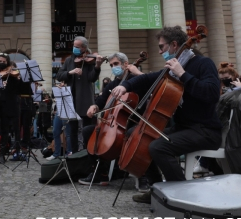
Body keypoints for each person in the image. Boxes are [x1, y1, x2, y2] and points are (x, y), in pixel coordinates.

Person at [110, 26, 222, 204]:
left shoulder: (202, 63)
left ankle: (182, 195)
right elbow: (147, 78)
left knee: (158, 147)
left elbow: (211, 93)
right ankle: (156, 190)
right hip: (184, 127)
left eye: (162, 47)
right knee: (136, 135)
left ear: (174, 44)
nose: (160, 51)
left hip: (205, 129)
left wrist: (183, 74)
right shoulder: (172, 68)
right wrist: (126, 86)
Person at [78, 52, 143, 186]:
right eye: (112, 64)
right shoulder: (113, 84)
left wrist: (137, 74)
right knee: (88, 131)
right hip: (114, 123)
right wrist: (94, 106)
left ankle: (143, 176)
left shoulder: (136, 80)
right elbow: (101, 101)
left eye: (116, 64)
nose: (114, 67)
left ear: (126, 64)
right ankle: (100, 173)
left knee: (134, 134)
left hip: (133, 122)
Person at [56, 36, 103, 153]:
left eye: (77, 47)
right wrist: (70, 72)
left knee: (87, 128)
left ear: (84, 48)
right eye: (74, 46)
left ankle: (88, 153)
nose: (74, 48)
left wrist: (97, 66)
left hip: (85, 98)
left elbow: (92, 78)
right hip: (71, 98)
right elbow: (59, 75)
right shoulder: (69, 60)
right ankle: (75, 154)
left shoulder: (89, 60)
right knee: (72, 130)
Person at [0, 53, 21, 164]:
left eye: (4, 61)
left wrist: (15, 80)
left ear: (7, 62)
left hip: (6, 106)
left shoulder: (12, 76)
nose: (1, 63)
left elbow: (17, 90)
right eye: (0, 61)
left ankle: (1, 154)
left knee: (4, 130)